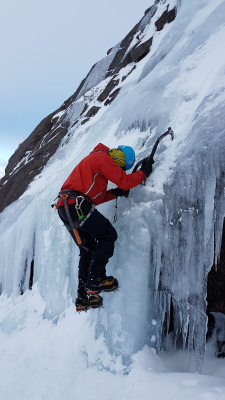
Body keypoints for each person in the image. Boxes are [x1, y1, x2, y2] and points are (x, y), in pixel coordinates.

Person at [56, 143, 153, 311]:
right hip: (77, 206)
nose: (118, 169)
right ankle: (96, 279)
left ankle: (84, 297)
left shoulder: (94, 164)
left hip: (66, 207)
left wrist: (115, 193)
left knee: (88, 250)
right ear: (118, 157)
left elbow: (97, 198)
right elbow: (125, 181)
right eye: (120, 165)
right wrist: (143, 172)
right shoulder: (103, 157)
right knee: (108, 235)